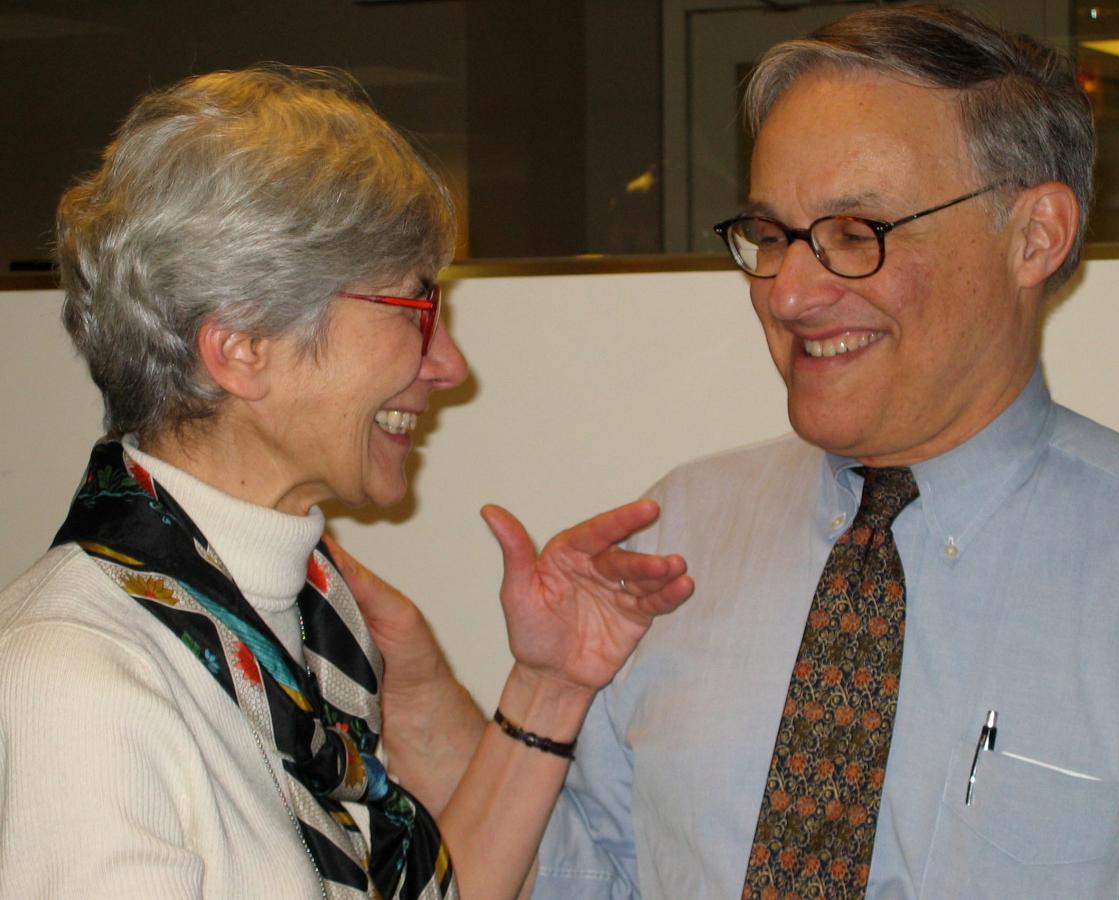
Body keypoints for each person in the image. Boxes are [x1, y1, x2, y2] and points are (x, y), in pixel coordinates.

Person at [528, 6, 1119, 899]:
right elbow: (590, 875)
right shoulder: (677, 534)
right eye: (771, 236)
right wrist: (432, 708)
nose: (791, 294)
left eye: (856, 232)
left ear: (1035, 236)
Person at [0, 66, 693, 899]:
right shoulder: (75, 681)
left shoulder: (306, 625)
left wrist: (550, 688)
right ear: (243, 347)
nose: (450, 367)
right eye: (416, 310)